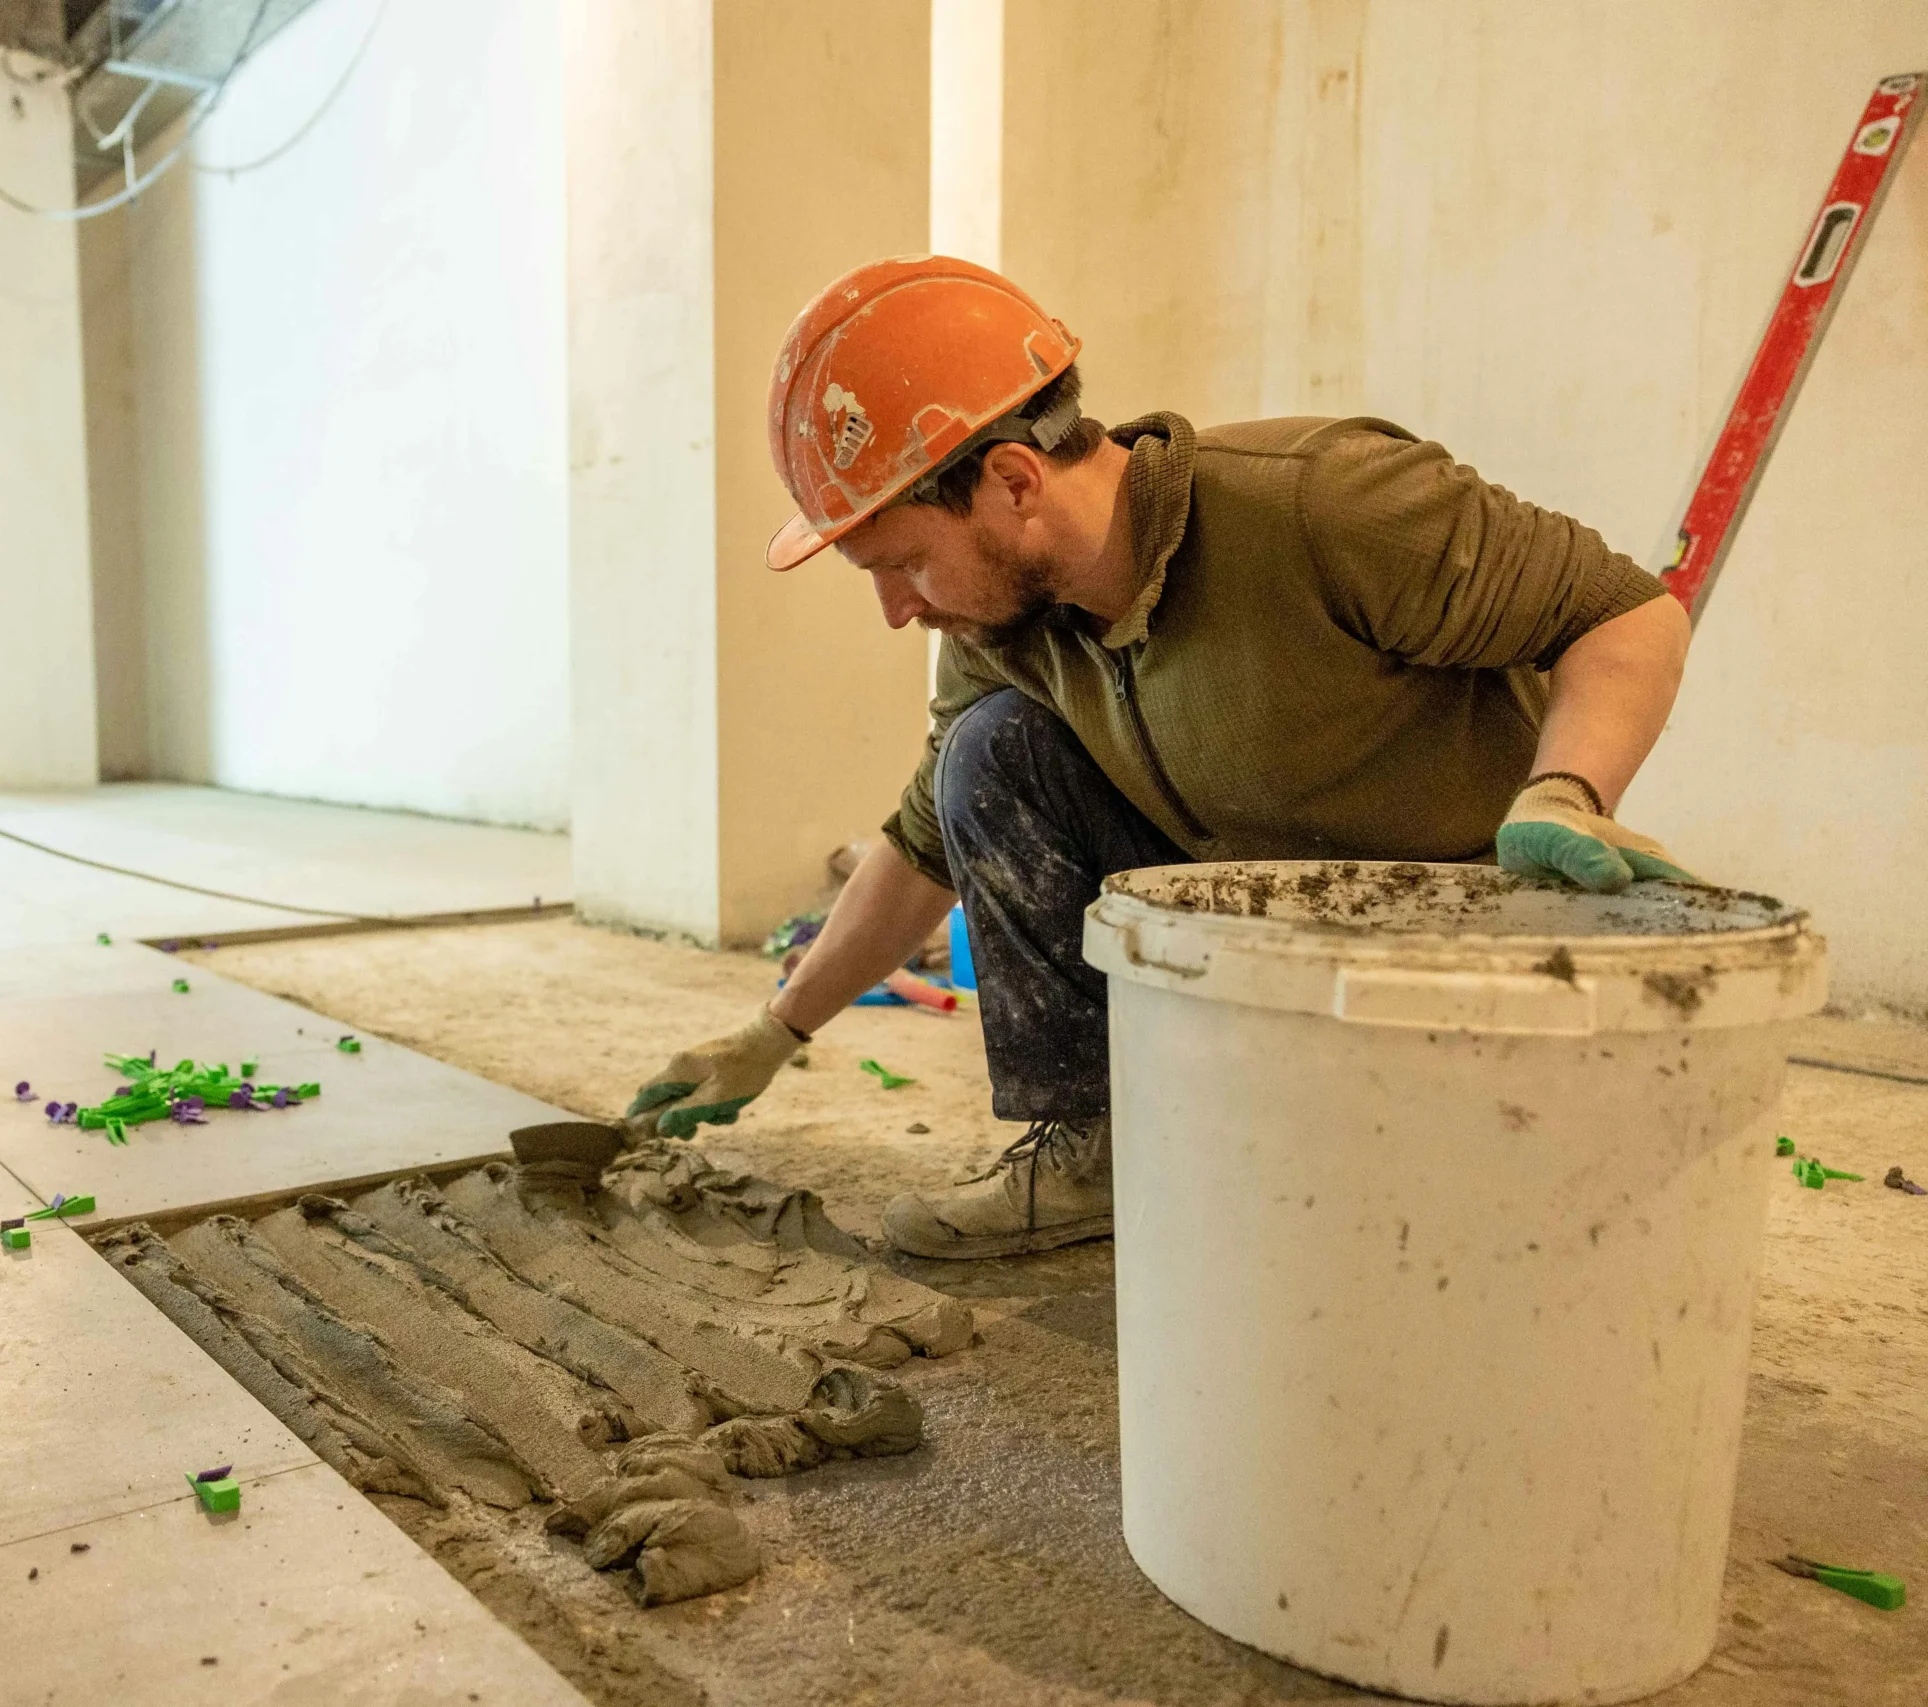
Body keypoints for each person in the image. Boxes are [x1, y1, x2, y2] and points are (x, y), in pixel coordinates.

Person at [625, 255, 1696, 1260]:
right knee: (987, 756)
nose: (896, 609)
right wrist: (774, 1033)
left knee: (1433, 1221)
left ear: (1010, 480)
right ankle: (1094, 1148)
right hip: (1244, 926)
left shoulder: (1321, 502)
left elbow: (1624, 613)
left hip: (1439, 930)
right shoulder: (1003, 630)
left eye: (904, 561)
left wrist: (1568, 788)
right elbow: (921, 845)